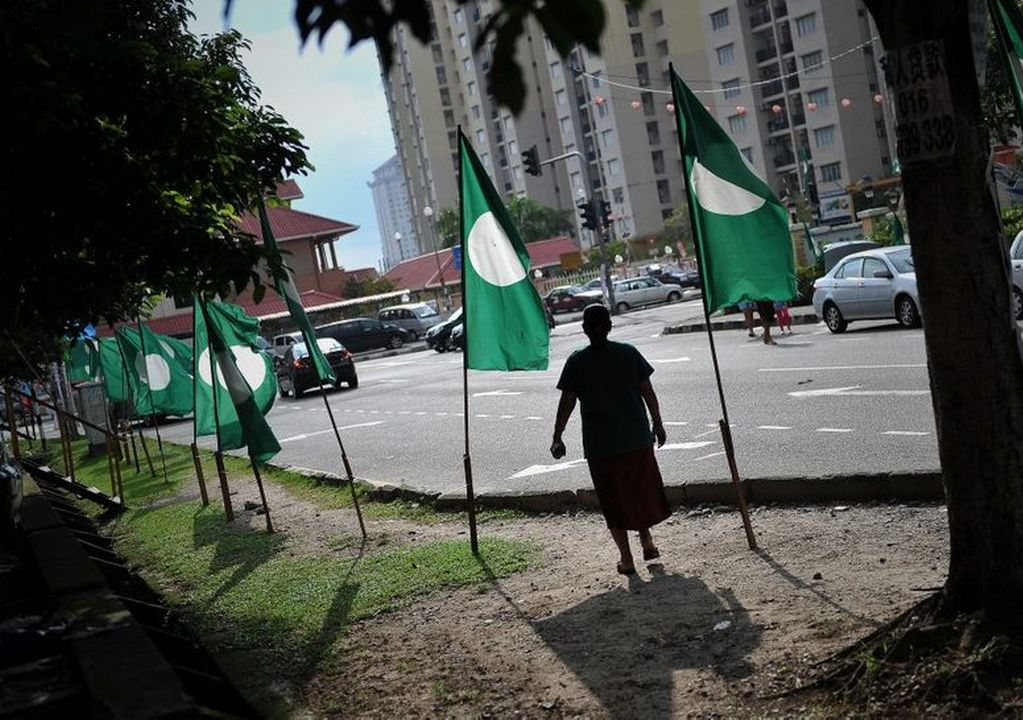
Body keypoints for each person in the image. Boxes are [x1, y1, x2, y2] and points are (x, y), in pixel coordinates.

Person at [550, 304, 670, 576]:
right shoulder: (628, 353)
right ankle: (647, 540)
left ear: (583, 329)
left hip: (602, 446)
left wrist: (557, 436)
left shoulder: (577, 362)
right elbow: (647, 391)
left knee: (613, 500)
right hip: (637, 439)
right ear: (610, 325)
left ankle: (627, 559)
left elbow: (566, 402)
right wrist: (658, 424)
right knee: (639, 491)